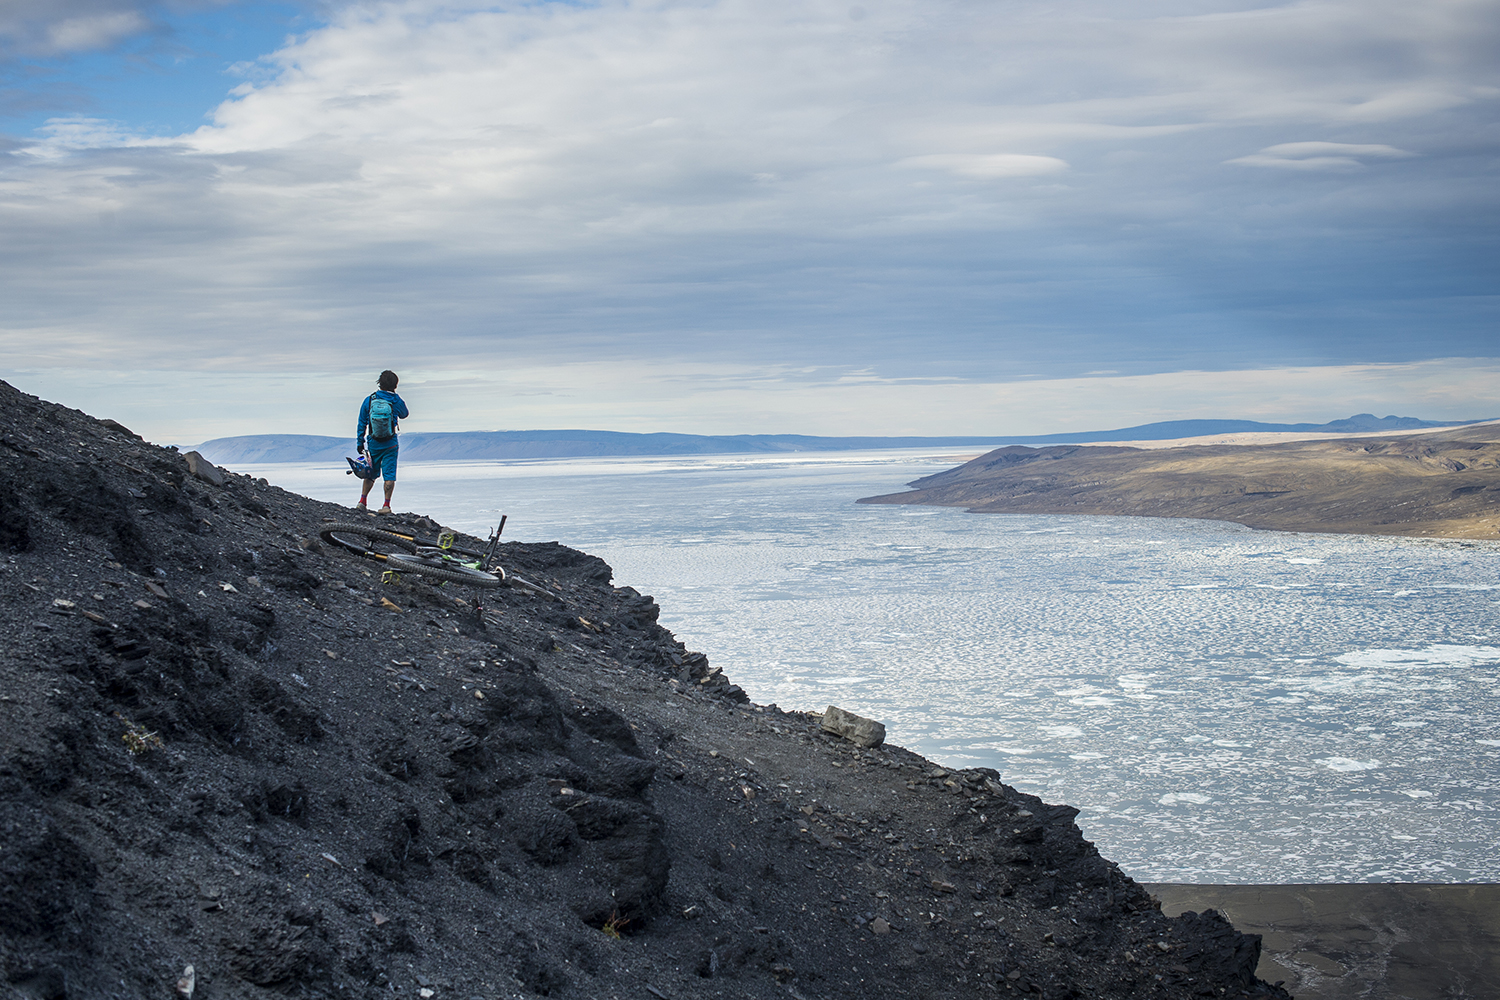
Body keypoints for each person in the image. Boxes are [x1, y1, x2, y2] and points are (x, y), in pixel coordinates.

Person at [355, 370, 409, 514]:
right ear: (395, 385)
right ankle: (386, 505)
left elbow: (362, 422)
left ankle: (362, 501)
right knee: (389, 475)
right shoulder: (396, 400)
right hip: (390, 443)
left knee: (370, 474)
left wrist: (360, 442)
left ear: (380, 383)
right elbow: (405, 414)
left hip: (373, 443)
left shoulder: (370, 399)